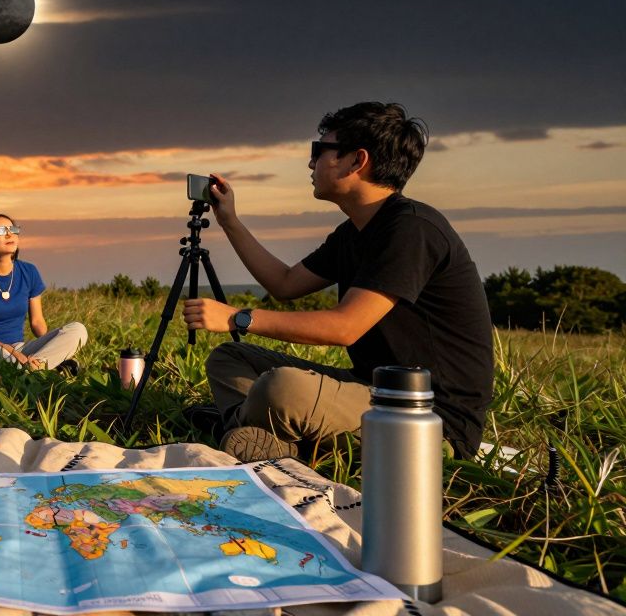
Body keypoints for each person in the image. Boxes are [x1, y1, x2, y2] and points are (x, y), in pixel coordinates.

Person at [182, 102, 493, 462]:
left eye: (320, 151)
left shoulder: (412, 229)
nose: (311, 163)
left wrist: (239, 317)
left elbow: (346, 327)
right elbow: (284, 283)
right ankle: (264, 436)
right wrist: (230, 221)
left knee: (282, 387)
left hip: (429, 420)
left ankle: (238, 429)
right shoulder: (355, 232)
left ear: (356, 161)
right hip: (371, 391)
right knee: (230, 357)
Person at [0, 214, 88, 370]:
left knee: (78, 329)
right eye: (1, 230)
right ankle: (38, 368)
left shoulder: (29, 271)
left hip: (21, 349)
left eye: (13, 229)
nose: (9, 234)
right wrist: (12, 352)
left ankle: (33, 367)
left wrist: (52, 346)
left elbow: (37, 322)